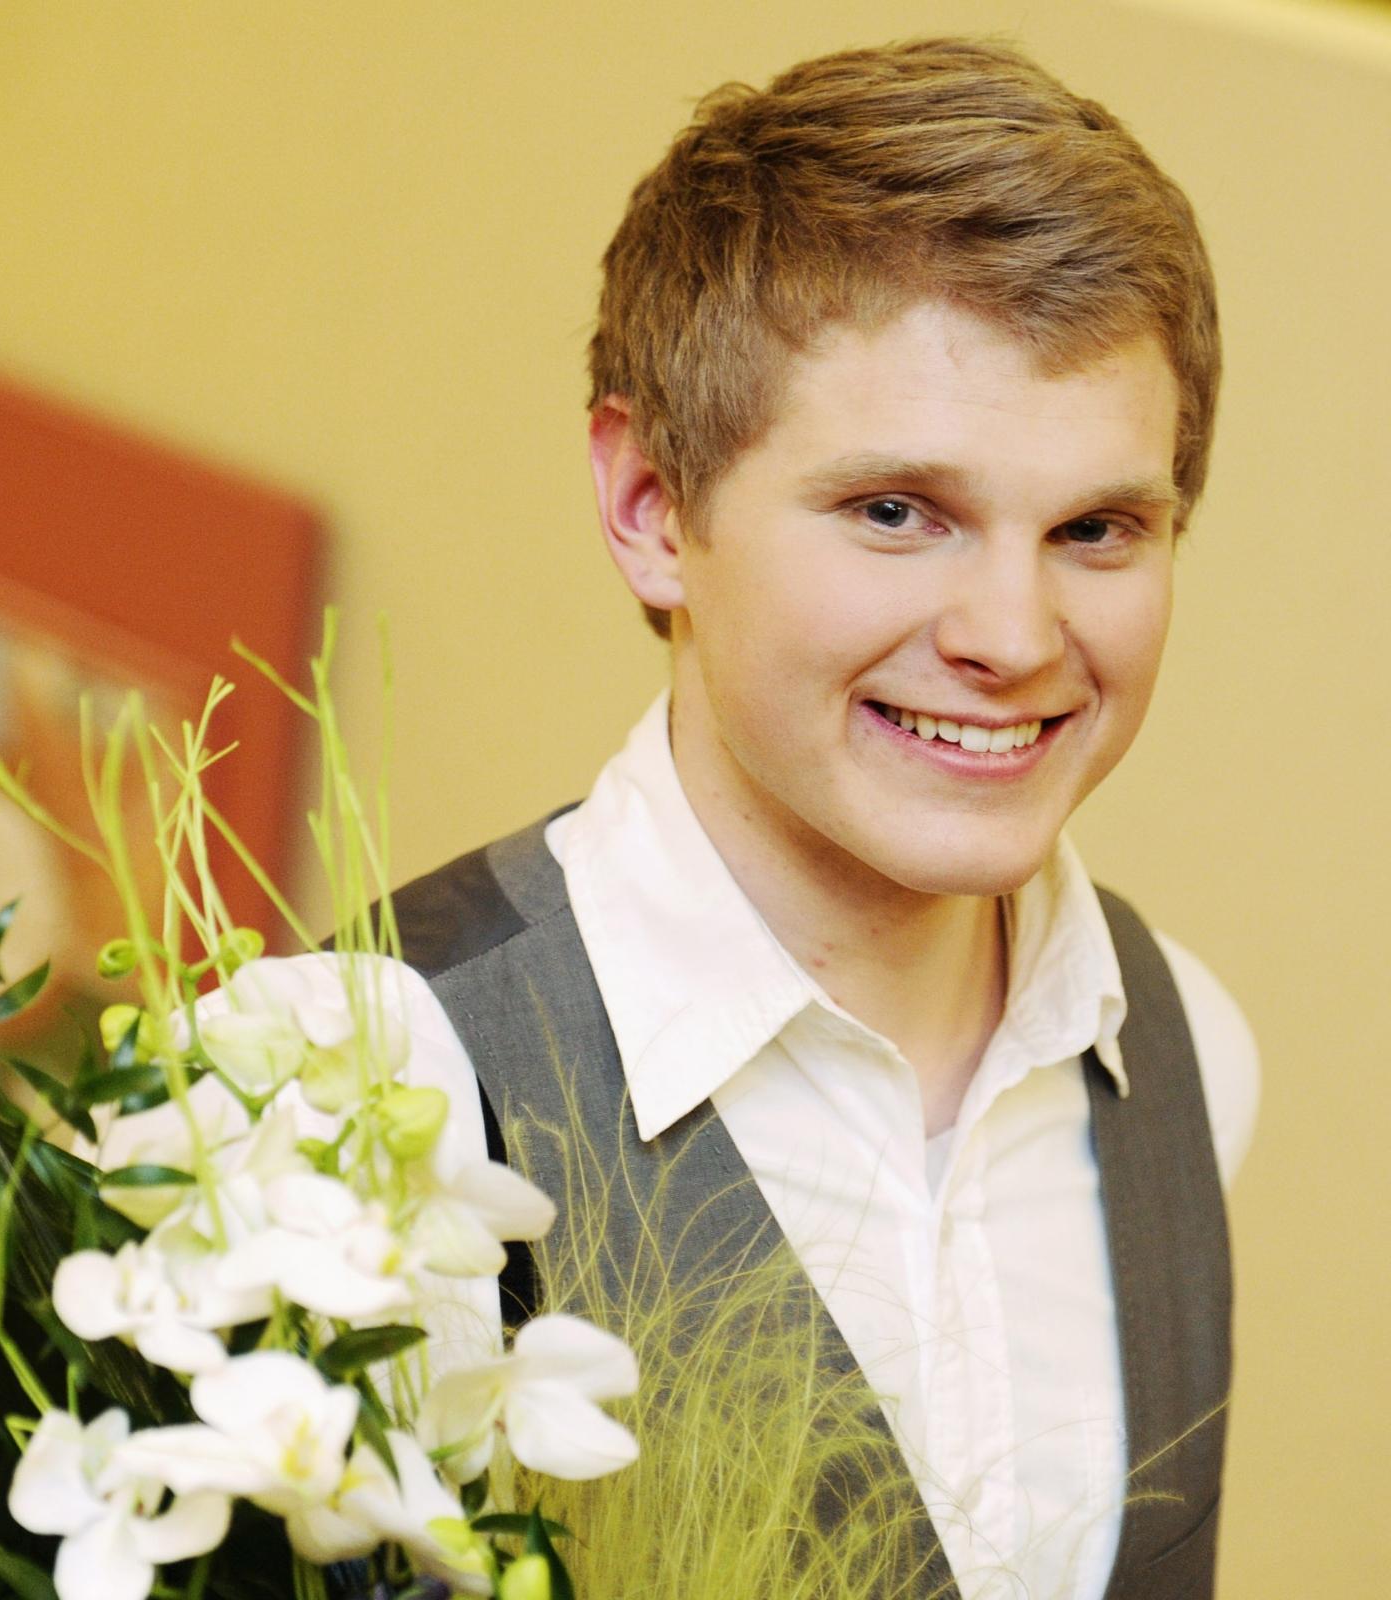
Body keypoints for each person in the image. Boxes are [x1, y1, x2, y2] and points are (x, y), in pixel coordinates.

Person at [391, 37, 1258, 1600]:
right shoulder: (372, 1090)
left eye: (1097, 529)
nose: (1014, 636)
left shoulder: (1191, 1053)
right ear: (653, 507)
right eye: (896, 513)